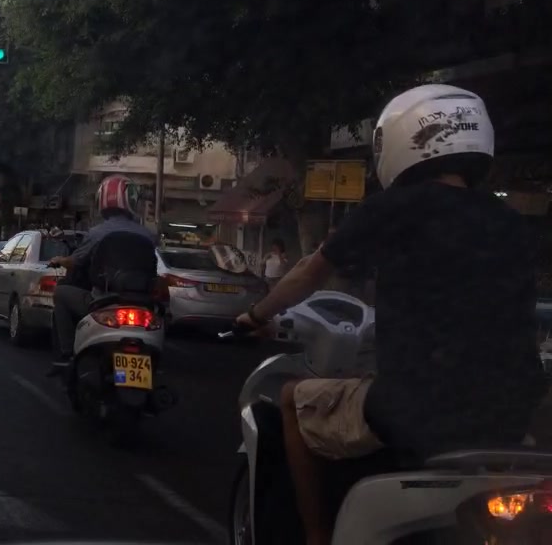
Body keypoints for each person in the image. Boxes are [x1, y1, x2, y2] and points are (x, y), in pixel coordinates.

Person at [234, 84, 547, 545]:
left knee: (292, 401)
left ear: (401, 141)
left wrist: (255, 315)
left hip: (417, 408)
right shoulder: (511, 221)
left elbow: (309, 272)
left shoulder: (392, 208)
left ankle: (317, 537)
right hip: (510, 414)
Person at [47, 174, 159, 369]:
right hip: (142, 302)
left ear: (103, 201)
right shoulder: (148, 235)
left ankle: (66, 353)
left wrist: (58, 260)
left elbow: (75, 262)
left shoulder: (97, 233)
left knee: (61, 293)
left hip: (104, 299)